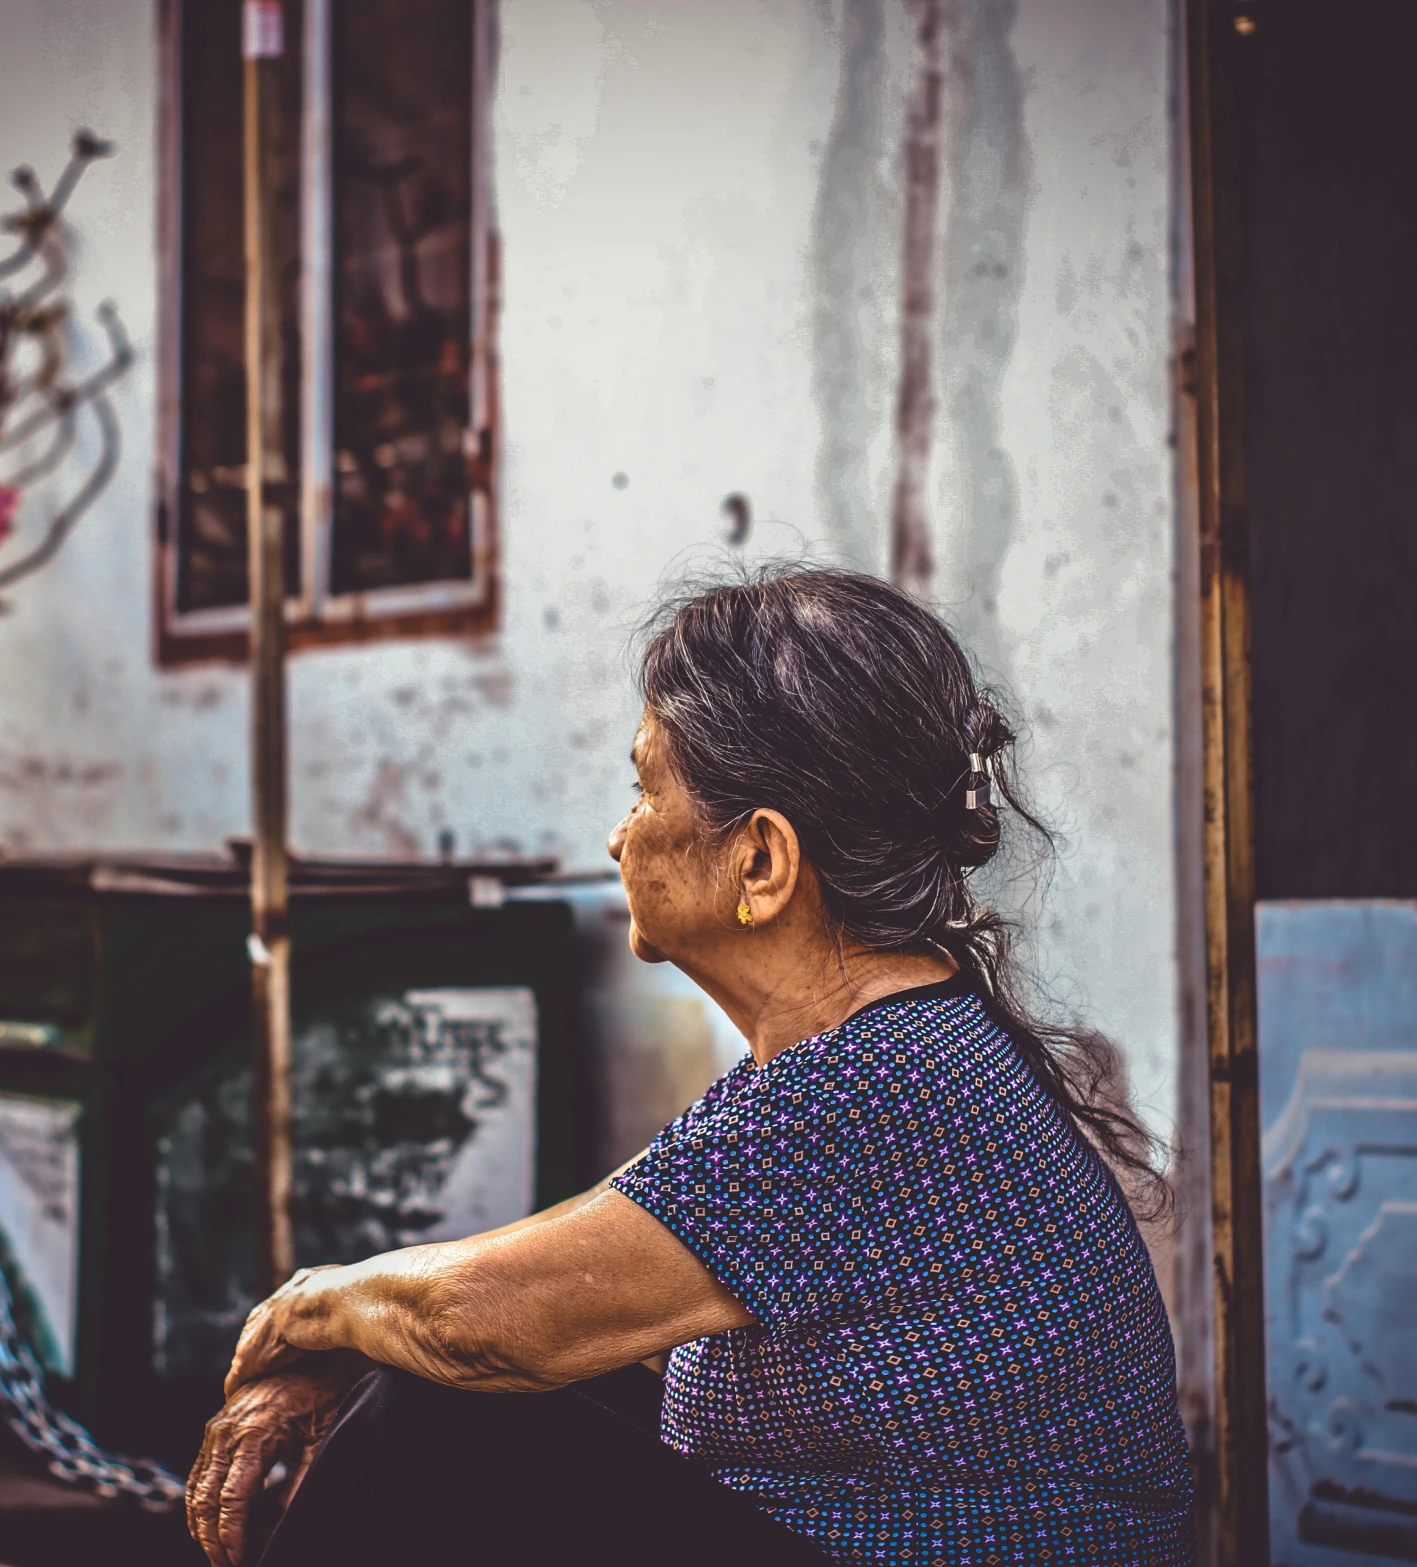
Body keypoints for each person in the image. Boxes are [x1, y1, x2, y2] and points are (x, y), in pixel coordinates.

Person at [186, 567, 1193, 1566]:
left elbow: (481, 1316)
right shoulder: (883, 1055)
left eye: (644, 788)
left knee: (440, 1418)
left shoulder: (879, 1084)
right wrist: (366, 1335)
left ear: (760, 861)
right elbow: (566, 1289)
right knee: (486, 1381)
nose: (618, 835)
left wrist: (309, 1308)